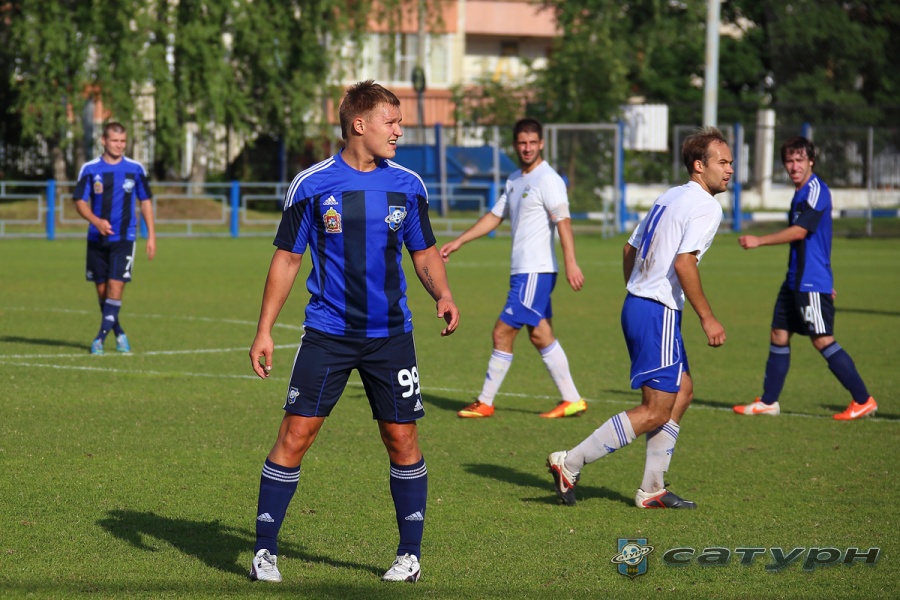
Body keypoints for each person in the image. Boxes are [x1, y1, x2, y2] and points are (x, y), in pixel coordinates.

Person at [247, 80, 459, 584]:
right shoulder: (311, 185)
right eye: (392, 122)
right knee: (295, 435)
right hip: (328, 334)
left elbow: (424, 251)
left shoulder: (408, 185)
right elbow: (288, 259)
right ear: (359, 125)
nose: (399, 131)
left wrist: (443, 294)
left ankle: (409, 556)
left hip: (391, 336)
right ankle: (264, 553)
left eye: (400, 122)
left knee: (401, 438)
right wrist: (264, 330)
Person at [547, 126, 731, 508]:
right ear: (699, 166)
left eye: (731, 163)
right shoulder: (706, 206)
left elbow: (628, 248)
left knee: (682, 391)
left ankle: (652, 487)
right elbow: (684, 263)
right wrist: (708, 318)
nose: (730, 169)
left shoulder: (670, 195)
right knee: (655, 409)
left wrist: (637, 288)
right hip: (655, 310)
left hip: (642, 305)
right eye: (723, 162)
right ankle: (570, 462)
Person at [439, 118, 586, 419]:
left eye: (532, 143)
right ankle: (572, 399)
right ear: (515, 145)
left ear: (541, 143)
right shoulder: (515, 180)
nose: (527, 148)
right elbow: (495, 216)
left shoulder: (548, 179)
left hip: (536, 271)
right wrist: (460, 241)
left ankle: (485, 401)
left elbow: (563, 221)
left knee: (502, 332)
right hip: (524, 272)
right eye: (522, 143)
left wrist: (571, 262)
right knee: (540, 335)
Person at [733, 136, 877, 420]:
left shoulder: (815, 190)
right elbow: (816, 242)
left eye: (800, 160)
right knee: (778, 333)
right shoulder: (800, 192)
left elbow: (801, 232)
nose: (794, 166)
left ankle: (863, 400)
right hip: (795, 280)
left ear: (811, 161)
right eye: (789, 160)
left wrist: (759, 240)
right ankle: (769, 402)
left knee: (822, 339)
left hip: (810, 281)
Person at [73, 122, 156, 355]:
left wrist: (151, 235)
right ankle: (119, 333)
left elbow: (145, 202)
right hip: (96, 239)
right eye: (114, 141)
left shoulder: (135, 169)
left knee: (116, 289)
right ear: (103, 141)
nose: (119, 145)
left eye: (122, 141)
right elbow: (79, 201)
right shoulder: (90, 169)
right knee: (103, 292)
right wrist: (96, 221)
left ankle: (99, 339)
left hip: (124, 238)